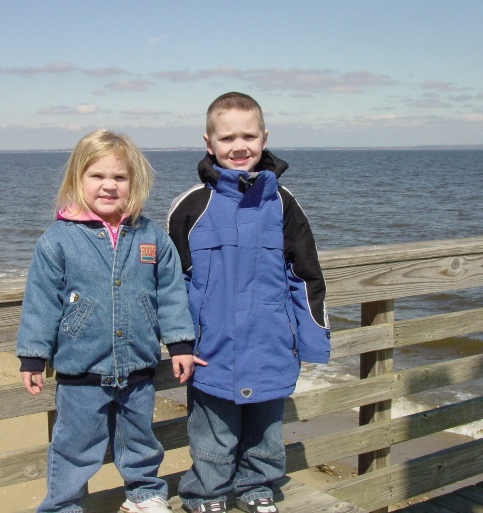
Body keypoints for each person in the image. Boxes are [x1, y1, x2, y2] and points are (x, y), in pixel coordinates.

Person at [17, 129, 203, 513]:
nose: (108, 185)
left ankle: (144, 494)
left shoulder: (151, 236)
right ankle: (62, 505)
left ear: (134, 182)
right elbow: (41, 302)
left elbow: (170, 293)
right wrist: (33, 356)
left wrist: (181, 344)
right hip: (81, 370)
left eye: (119, 177)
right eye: (97, 175)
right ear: (78, 179)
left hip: (138, 368)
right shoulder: (58, 239)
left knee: (140, 440)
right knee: (74, 446)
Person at [167, 92, 331, 513]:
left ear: (264, 138)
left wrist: (312, 341)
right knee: (212, 435)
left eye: (249, 136)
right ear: (209, 143)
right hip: (211, 351)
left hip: (271, 344)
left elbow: (306, 278)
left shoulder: (284, 204)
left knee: (266, 431)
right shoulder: (190, 207)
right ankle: (206, 494)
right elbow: (170, 285)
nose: (239, 146)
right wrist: (179, 343)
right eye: (227, 138)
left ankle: (258, 487)